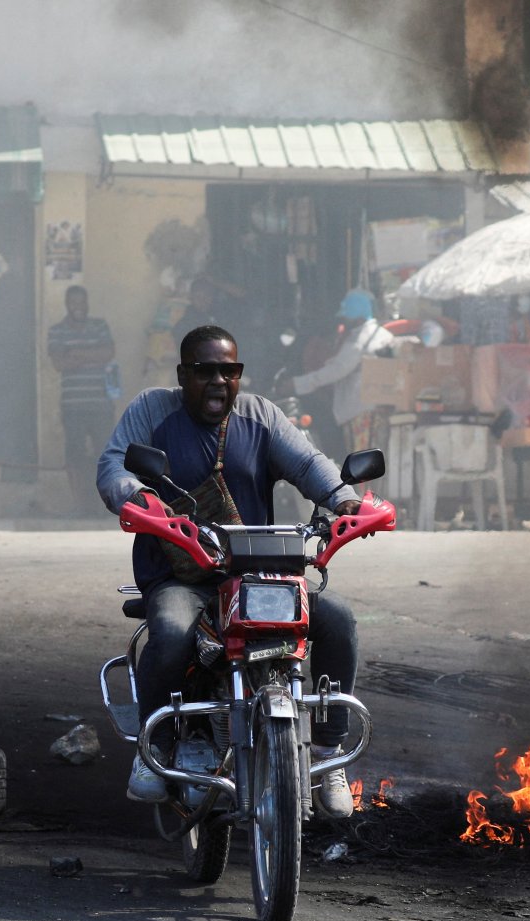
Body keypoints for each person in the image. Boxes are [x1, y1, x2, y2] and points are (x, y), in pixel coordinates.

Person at [96, 324, 363, 818]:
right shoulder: (153, 410)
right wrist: (137, 497)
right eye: (205, 371)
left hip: (254, 573)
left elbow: (307, 464)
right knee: (173, 633)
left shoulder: (260, 415)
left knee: (338, 621)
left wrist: (345, 500)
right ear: (182, 374)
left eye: (229, 371)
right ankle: (156, 749)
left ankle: (328, 750)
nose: (218, 381)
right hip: (180, 574)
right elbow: (114, 466)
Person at [278, 289, 398, 457]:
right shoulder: (381, 334)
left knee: (362, 462)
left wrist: (297, 384)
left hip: (361, 412)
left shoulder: (361, 338)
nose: (342, 319)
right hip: (375, 409)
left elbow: (337, 370)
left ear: (357, 315)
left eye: (346, 315)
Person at [47, 286, 116, 513]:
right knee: (75, 455)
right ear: (67, 304)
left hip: (101, 404)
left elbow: (107, 353)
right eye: (73, 302)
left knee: (104, 455)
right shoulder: (56, 331)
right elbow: (59, 364)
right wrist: (91, 355)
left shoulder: (100, 326)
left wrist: (75, 354)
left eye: (82, 302)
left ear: (87, 303)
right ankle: (81, 506)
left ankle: (103, 505)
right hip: (72, 406)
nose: (78, 307)